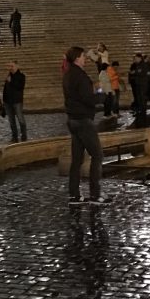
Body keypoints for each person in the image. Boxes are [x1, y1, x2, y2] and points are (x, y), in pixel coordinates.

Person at [62, 45, 104, 206]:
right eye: (83, 56)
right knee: (97, 155)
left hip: (72, 119)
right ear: (77, 58)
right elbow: (88, 98)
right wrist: (101, 96)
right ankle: (95, 194)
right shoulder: (79, 75)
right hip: (83, 120)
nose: (85, 58)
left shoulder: (68, 74)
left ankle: (74, 195)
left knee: (77, 159)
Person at [3, 60, 27, 141]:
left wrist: (11, 82)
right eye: (9, 66)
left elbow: (20, 87)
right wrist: (4, 100)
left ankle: (24, 135)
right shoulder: (8, 76)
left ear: (17, 66)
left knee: (20, 119)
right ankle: (14, 136)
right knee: (11, 120)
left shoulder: (21, 76)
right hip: (8, 102)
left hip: (17, 101)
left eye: (12, 66)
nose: (10, 68)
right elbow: (5, 89)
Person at [128, 53, 150, 127]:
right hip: (139, 84)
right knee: (139, 98)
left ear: (140, 58)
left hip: (142, 85)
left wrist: (135, 72)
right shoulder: (138, 64)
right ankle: (141, 110)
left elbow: (140, 72)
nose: (135, 59)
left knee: (142, 98)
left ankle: (143, 111)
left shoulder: (143, 64)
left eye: (136, 58)